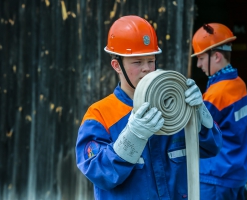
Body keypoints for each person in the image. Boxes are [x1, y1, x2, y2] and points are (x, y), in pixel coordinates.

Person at [75, 15, 222, 200]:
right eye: (137, 62)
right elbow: (101, 174)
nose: (146, 68)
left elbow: (213, 147)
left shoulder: (174, 106)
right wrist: (132, 137)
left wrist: (200, 114)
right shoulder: (100, 115)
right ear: (116, 65)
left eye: (151, 61)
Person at [191, 23, 247, 200]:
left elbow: (195, 132)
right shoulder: (239, 84)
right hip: (236, 172)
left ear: (216, 56)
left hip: (215, 175)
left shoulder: (217, 93)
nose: (198, 64)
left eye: (201, 58)